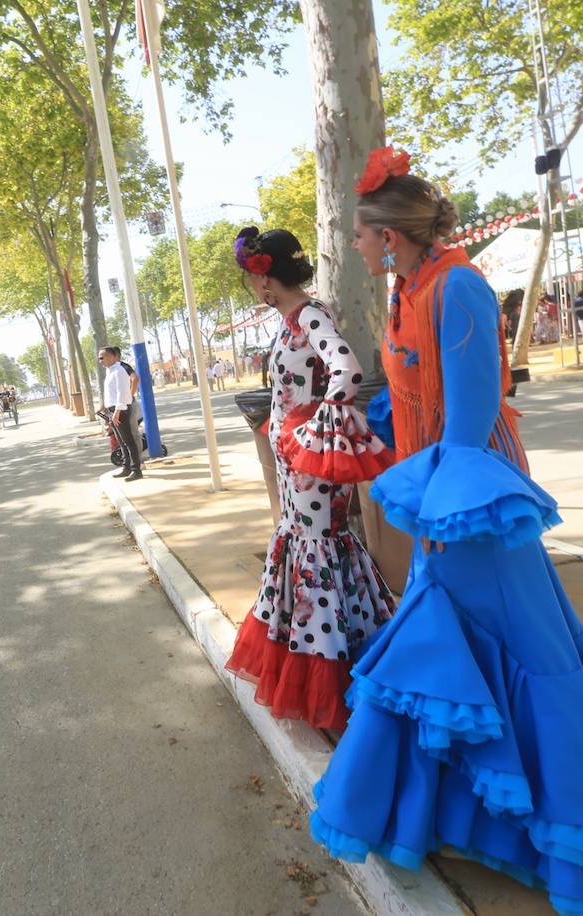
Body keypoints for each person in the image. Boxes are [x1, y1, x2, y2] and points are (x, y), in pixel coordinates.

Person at [309, 147, 583, 912]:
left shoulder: (458, 286)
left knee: (518, 650)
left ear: (389, 238)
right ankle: (459, 813)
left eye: (363, 236)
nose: (359, 247)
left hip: (472, 507)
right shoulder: (410, 287)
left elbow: (470, 421)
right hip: (442, 503)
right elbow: (419, 399)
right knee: (461, 652)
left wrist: (441, 514)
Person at [224, 226, 397, 729]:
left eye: (252, 279)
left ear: (265, 278)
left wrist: (317, 429)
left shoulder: (309, 315)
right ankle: (334, 658)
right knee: (312, 545)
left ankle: (330, 676)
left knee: (318, 546)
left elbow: (347, 371)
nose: (252, 288)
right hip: (297, 463)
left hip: (310, 466)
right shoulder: (292, 319)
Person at [99, 346, 141, 480]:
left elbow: (122, 393)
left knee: (129, 441)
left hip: (120, 410)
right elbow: (111, 393)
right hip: (113, 410)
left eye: (102, 357)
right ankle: (126, 467)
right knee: (121, 442)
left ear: (111, 357)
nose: (100, 360)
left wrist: (117, 412)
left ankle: (136, 470)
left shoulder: (119, 371)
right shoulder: (110, 371)